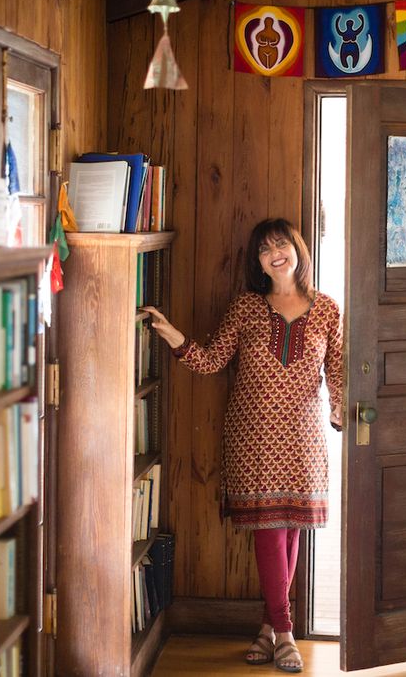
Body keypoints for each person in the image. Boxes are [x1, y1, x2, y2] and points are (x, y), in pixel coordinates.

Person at [144, 218, 344, 674]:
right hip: (250, 438)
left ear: (299, 250)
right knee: (270, 532)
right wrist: (172, 333)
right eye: (264, 250)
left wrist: (340, 409)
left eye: (282, 245)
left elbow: (338, 372)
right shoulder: (246, 308)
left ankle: (267, 628)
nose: (275, 254)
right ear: (257, 261)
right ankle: (287, 631)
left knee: (290, 531)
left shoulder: (328, 310)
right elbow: (212, 360)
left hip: (302, 439)